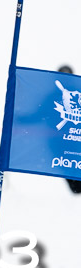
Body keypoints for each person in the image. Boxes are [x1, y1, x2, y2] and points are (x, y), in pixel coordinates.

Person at [58, 64, 81, 194]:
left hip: (77, 139)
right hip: (60, 142)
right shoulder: (53, 95)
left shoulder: (78, 90)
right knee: (74, 185)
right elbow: (41, 112)